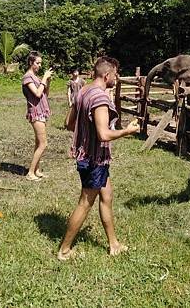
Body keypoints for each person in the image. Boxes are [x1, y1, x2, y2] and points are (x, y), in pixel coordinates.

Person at [58, 56, 139, 260]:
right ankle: (64, 250)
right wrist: (127, 131)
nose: (117, 78)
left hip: (92, 157)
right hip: (93, 159)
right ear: (106, 75)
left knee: (107, 196)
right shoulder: (100, 98)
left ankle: (114, 244)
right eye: (116, 74)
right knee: (86, 202)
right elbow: (104, 134)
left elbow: (69, 123)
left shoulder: (83, 92)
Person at [22, 51, 53, 181]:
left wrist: (47, 81)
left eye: (40, 63)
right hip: (36, 112)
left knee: (38, 143)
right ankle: (30, 173)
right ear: (31, 62)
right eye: (37, 63)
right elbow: (37, 94)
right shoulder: (27, 77)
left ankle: (37, 169)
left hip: (41, 111)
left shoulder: (36, 77)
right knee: (43, 144)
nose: (40, 65)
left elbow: (46, 93)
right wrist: (44, 78)